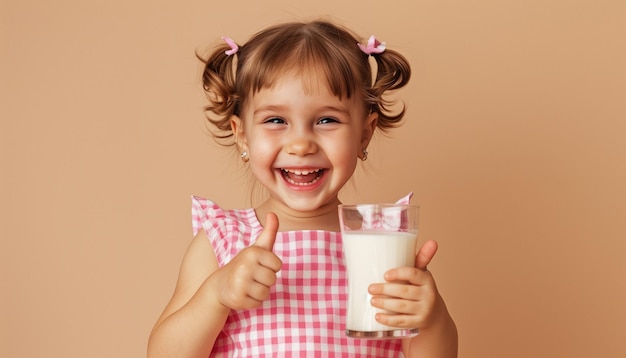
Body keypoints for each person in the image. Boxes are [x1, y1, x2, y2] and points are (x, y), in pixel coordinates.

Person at [148, 19, 458, 357]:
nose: (300, 144)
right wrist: (215, 295)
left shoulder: (381, 244)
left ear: (364, 134)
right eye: (275, 120)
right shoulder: (223, 240)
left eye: (327, 120)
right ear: (241, 135)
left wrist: (431, 317)